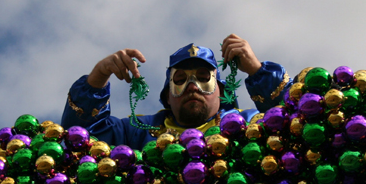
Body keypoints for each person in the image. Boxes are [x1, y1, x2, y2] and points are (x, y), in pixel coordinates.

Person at [62, 34, 291, 149]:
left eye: (203, 79)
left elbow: (297, 119)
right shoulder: (138, 130)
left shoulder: (248, 122)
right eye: (180, 80)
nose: (193, 86)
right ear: (167, 98)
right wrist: (98, 76)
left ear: (222, 94)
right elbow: (77, 139)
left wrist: (257, 69)